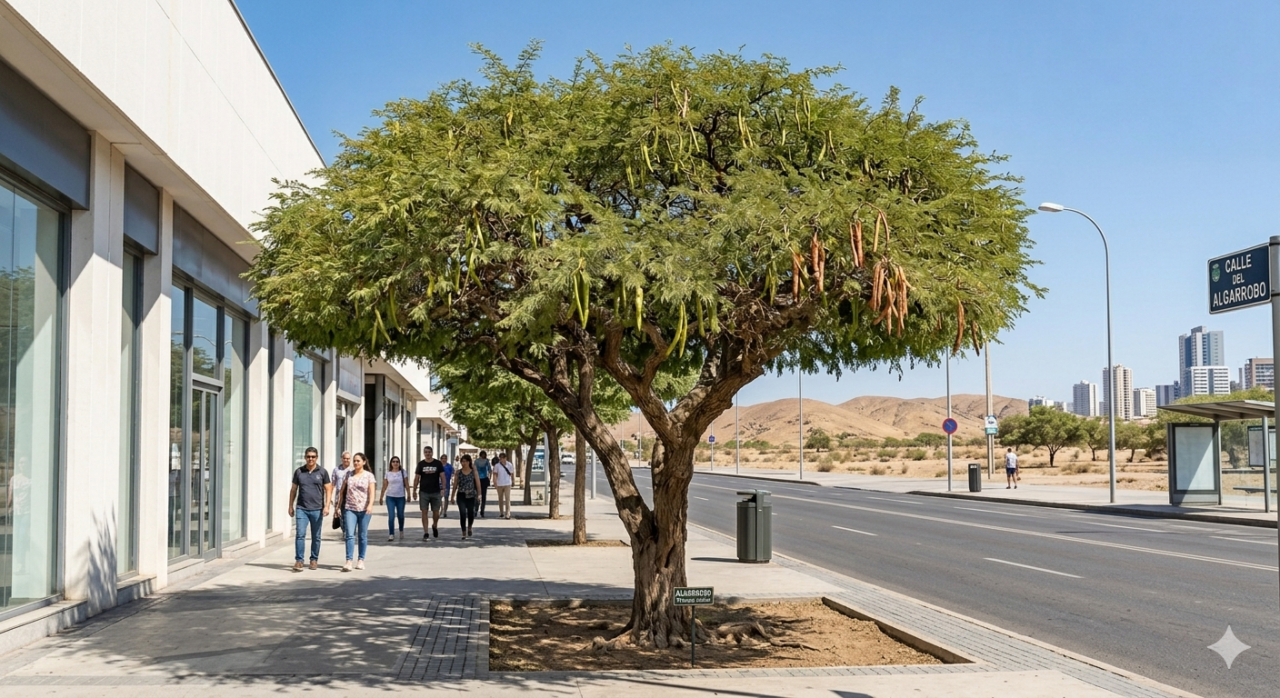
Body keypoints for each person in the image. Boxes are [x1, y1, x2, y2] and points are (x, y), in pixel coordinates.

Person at [288, 447, 331, 572]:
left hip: (317, 509)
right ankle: (299, 561)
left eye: (313, 456)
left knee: (316, 536)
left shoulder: (322, 472)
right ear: (305, 457)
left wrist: (327, 505)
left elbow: (328, 489)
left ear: (316, 457)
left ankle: (313, 560)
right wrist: (290, 505)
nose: (310, 459)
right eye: (308, 456)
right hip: (302, 508)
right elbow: (293, 490)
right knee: (300, 534)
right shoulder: (299, 472)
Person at [341, 452, 377, 571]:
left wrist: (370, 505)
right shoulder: (349, 474)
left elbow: (372, 492)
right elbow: (342, 491)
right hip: (350, 508)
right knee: (349, 534)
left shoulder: (369, 476)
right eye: (354, 461)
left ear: (364, 462)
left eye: (358, 461)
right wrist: (337, 506)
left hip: (364, 509)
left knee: (362, 535)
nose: (356, 463)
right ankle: (348, 561)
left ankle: (361, 560)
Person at [413, 446, 445, 539]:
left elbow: (442, 477)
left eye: (429, 452)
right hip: (424, 492)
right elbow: (417, 478)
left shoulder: (438, 464)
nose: (428, 454)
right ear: (424, 453)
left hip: (435, 491)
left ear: (432, 453)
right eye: (426, 452)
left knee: (436, 512)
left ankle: (435, 525)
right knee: (424, 511)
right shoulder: (421, 464)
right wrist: (414, 490)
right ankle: (426, 532)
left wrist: (443, 488)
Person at [379, 456, 408, 541]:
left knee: (400, 515)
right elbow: (384, 485)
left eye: (397, 462)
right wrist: (381, 496)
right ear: (391, 463)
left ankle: (401, 530)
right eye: (393, 462)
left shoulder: (403, 472)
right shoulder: (388, 473)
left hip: (400, 497)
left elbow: (406, 484)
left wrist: (409, 494)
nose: (395, 463)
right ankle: (391, 533)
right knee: (391, 516)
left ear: (399, 463)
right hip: (390, 497)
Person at [452, 454, 480, 538]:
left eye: (465, 461)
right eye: (462, 461)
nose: (463, 463)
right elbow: (455, 485)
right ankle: (463, 531)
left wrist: (479, 494)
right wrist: (452, 496)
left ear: (469, 462)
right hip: (461, 495)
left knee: (471, 513)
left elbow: (478, 484)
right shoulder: (458, 472)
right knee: (462, 513)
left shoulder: (473, 472)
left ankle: (470, 527)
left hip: (471, 495)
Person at [331, 451, 353, 536]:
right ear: (341, 459)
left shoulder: (353, 470)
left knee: (348, 515)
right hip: (339, 496)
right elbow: (333, 483)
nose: (346, 460)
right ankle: (345, 531)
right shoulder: (336, 470)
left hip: (350, 496)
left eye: (348, 458)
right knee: (340, 515)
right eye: (344, 458)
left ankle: (349, 532)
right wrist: (331, 497)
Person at [475, 450, 492, 517]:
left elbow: (474, 469)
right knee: (484, 496)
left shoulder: (476, 461)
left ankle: (476, 510)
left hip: (477, 479)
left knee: (477, 495)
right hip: (484, 479)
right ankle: (482, 511)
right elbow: (490, 470)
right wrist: (489, 478)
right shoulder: (487, 462)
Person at [441, 454, 454, 519]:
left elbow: (452, 474)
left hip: (447, 484)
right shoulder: (439, 466)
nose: (444, 459)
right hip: (439, 485)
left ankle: (445, 511)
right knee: (439, 498)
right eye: (442, 458)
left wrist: (452, 480)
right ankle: (441, 509)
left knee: (446, 498)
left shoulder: (449, 466)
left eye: (445, 458)